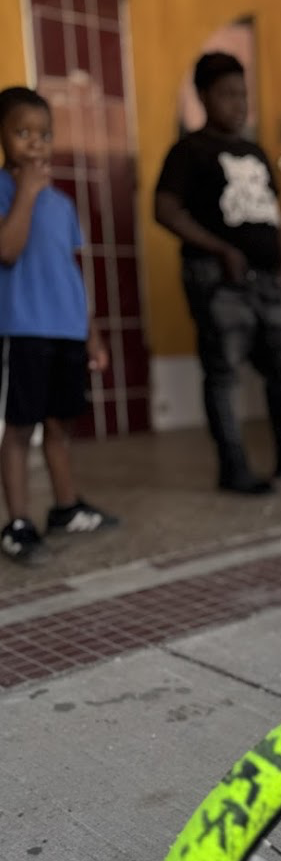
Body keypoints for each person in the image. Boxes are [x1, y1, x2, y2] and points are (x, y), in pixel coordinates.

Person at [155, 53, 281, 494]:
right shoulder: (189, 150)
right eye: (227, 95)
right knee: (224, 373)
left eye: (243, 95)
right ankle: (233, 466)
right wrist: (219, 249)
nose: (238, 104)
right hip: (218, 281)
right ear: (203, 97)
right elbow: (164, 210)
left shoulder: (255, 151)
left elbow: (270, 215)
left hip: (268, 280)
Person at [0, 86, 115, 564]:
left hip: (66, 329)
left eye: (44, 134)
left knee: (60, 423)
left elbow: (71, 269)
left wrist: (90, 330)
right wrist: (25, 193)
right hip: (23, 328)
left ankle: (65, 507)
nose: (35, 143)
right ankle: (18, 523)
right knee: (20, 426)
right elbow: (8, 250)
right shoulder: (8, 191)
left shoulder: (63, 204)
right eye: (23, 133)